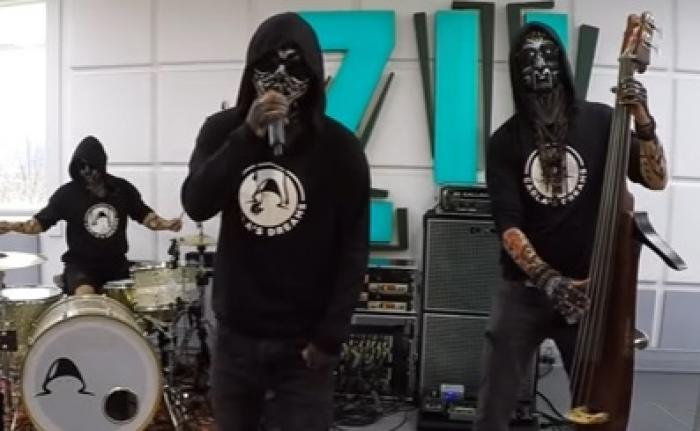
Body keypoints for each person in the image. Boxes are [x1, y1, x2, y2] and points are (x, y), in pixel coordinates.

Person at [181, 12, 370, 431]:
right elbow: (197, 204)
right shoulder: (221, 131)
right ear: (251, 71)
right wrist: (246, 134)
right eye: (269, 65)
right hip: (236, 337)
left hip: (303, 345)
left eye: (295, 67)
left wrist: (330, 337)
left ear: (314, 77)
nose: (280, 79)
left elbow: (354, 248)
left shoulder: (340, 149)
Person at [475, 22, 668, 430]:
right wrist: (550, 281)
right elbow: (508, 225)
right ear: (516, 71)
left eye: (547, 53)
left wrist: (643, 120)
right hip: (523, 293)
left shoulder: (602, 122)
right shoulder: (505, 141)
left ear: (562, 62)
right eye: (528, 58)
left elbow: (655, 179)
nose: (539, 64)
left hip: (588, 293)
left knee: (593, 407)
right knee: (493, 408)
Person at [0, 135, 182, 295]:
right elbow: (37, 224)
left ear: (101, 166)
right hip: (81, 266)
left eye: (91, 166)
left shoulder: (121, 189)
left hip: (116, 264)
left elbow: (146, 216)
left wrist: (167, 224)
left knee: (131, 303)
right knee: (86, 299)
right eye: (81, 167)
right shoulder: (67, 194)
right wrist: (9, 226)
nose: (86, 172)